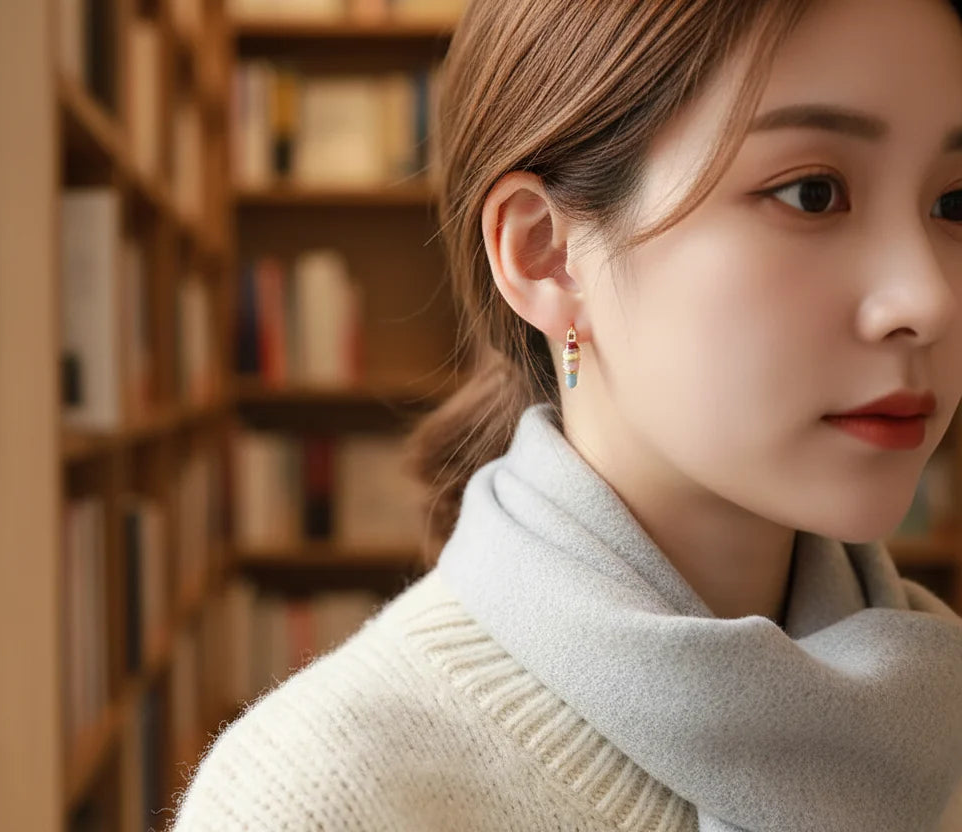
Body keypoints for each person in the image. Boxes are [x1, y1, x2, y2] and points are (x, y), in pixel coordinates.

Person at [167, 0, 962, 829]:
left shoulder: (936, 716)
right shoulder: (322, 796)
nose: (927, 300)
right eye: (811, 193)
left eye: (955, 203)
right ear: (544, 252)